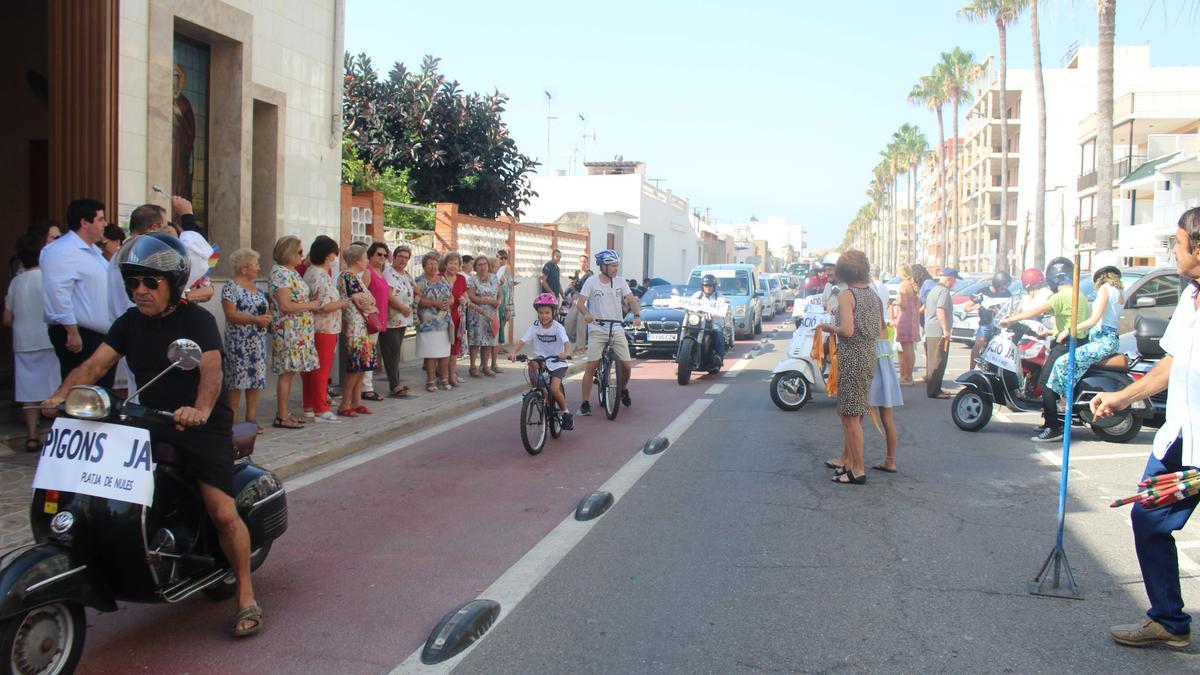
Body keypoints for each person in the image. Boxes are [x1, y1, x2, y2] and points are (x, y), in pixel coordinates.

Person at [44, 232, 262, 637]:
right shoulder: (128, 323)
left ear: (174, 284)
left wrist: (199, 409)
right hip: (147, 418)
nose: (139, 291)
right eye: (132, 283)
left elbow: (211, 372)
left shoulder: (197, 320)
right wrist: (60, 395)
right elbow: (94, 366)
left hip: (200, 425)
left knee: (221, 511)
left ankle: (246, 594)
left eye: (149, 283)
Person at [1091, 207, 1200, 650]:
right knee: (1148, 517)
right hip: (1179, 438)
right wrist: (1122, 397)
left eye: (1177, 243)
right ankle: (1169, 621)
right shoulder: (1190, 298)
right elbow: (1172, 364)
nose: (1172, 251)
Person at [1000, 257, 1090, 442]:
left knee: (1047, 384)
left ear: (1054, 278)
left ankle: (1052, 427)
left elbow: (1037, 311)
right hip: (1073, 341)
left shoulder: (1060, 297)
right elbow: (1070, 321)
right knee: (1050, 383)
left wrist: (1012, 319)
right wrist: (1049, 331)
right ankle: (1049, 420)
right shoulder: (1079, 296)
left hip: (1066, 345)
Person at [819, 250, 882, 485]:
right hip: (868, 355)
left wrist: (830, 327)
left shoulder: (847, 295)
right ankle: (850, 462)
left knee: (850, 416)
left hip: (852, 356)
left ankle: (857, 468)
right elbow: (879, 327)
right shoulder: (872, 295)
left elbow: (847, 330)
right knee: (852, 414)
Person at [1044, 252, 1125, 434]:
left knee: (1063, 362)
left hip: (1102, 340)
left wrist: (1070, 329)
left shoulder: (1105, 289)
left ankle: (1063, 402)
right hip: (1109, 339)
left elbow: (1094, 319)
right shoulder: (1120, 291)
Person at [40, 198, 114, 387]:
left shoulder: (93, 251)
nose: (105, 224)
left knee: (101, 393)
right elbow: (58, 293)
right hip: (80, 335)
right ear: (84, 222)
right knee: (81, 392)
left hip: (100, 335)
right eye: (100, 219)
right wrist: (72, 331)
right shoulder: (61, 250)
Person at [5, 233, 61, 451]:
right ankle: (56, 434)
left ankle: (32, 435)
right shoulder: (48, 279)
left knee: (28, 391)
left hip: (23, 341)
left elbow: (7, 318)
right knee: (54, 389)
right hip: (47, 339)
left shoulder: (16, 282)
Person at [576, 249, 641, 416]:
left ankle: (623, 389)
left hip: (617, 327)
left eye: (617, 265)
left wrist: (637, 316)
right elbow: (580, 303)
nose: (615, 268)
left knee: (626, 365)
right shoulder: (591, 282)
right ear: (603, 266)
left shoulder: (620, 281)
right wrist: (587, 314)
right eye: (612, 265)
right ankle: (585, 403)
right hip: (597, 328)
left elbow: (631, 299)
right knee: (591, 365)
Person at [268, 235, 320, 429]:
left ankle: (285, 413)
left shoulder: (291, 272)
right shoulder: (281, 273)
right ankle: (281, 415)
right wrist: (311, 304)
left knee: (291, 372)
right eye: (299, 252)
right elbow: (286, 305)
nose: (302, 255)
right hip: (289, 330)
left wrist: (309, 301)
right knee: (287, 373)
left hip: (299, 330)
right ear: (288, 252)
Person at [220, 248, 270, 432]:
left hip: (257, 340)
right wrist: (256, 319)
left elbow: (264, 308)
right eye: (255, 265)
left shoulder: (257, 287)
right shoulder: (230, 287)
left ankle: (251, 419)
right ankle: (231, 420)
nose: (258, 268)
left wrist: (266, 318)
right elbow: (231, 314)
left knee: (256, 379)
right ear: (243, 268)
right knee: (236, 380)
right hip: (238, 341)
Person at [509, 293, 574, 431]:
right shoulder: (535, 326)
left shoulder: (558, 327)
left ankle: (565, 412)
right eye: (541, 312)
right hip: (541, 360)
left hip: (557, 361)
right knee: (531, 363)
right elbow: (523, 340)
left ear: (553, 313)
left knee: (554, 389)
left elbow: (567, 343)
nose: (544, 315)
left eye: (547, 312)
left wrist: (566, 353)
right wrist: (514, 352)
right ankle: (536, 391)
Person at [302, 236, 348, 422]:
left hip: (317, 326)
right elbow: (324, 305)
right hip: (324, 327)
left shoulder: (310, 272)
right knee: (322, 369)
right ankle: (320, 408)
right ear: (329, 255)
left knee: (312, 369)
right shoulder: (320, 275)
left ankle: (309, 405)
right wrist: (343, 303)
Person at [337, 244, 378, 417]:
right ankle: (345, 403)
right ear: (357, 260)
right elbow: (365, 302)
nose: (367, 261)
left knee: (363, 365)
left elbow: (369, 300)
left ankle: (356, 401)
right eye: (365, 258)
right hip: (355, 326)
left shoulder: (356, 277)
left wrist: (371, 304)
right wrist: (372, 306)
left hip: (362, 325)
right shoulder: (348, 277)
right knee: (355, 366)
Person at [413, 252, 453, 391]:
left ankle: (444, 379)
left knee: (444, 352)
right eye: (430, 264)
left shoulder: (442, 280)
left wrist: (449, 301)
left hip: (443, 322)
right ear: (424, 266)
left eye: (435, 263)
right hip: (427, 323)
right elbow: (417, 300)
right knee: (430, 352)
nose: (433, 266)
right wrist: (434, 303)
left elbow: (451, 296)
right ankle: (430, 380)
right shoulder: (419, 280)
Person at [361, 242, 393, 402]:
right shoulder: (367, 273)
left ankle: (366, 386)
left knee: (371, 353)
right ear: (370, 255)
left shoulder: (380, 272)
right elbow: (360, 295)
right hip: (370, 320)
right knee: (367, 353)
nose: (382, 257)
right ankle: (366, 388)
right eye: (378, 254)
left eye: (385, 255)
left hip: (379, 319)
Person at [381, 245, 414, 397]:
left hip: (403, 319)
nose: (403, 260)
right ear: (394, 257)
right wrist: (402, 307)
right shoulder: (388, 273)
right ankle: (394, 384)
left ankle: (396, 382)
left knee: (396, 351)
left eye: (406, 257)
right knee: (392, 351)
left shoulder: (405, 275)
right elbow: (388, 295)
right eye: (400, 256)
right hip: (391, 318)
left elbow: (414, 290)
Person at [923, 267, 959, 399]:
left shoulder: (934, 289)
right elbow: (940, 310)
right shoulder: (944, 291)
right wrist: (946, 330)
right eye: (954, 280)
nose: (955, 283)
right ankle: (934, 391)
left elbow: (927, 310)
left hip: (931, 329)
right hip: (938, 331)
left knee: (934, 361)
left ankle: (936, 388)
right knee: (938, 361)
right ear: (949, 279)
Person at [964, 270, 1013, 366]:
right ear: (997, 283)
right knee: (979, 342)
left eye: (1007, 285)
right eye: (1004, 285)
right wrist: (976, 307)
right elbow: (967, 308)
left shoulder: (1007, 294)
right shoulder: (983, 292)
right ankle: (971, 369)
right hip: (986, 324)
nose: (1005, 288)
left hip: (1000, 325)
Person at [467, 255, 501, 377]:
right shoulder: (472, 279)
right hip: (477, 313)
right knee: (476, 340)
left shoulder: (494, 277)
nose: (482, 267)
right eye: (479, 264)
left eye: (484, 264)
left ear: (488, 266)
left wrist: (499, 302)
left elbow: (499, 294)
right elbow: (471, 296)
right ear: (476, 267)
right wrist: (489, 301)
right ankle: (472, 367)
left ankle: (485, 366)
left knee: (489, 340)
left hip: (492, 312)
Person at [443, 251, 469, 387]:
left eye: (456, 264)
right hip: (441, 318)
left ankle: (452, 375)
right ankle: (443, 375)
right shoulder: (439, 277)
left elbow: (466, 297)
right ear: (446, 264)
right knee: (442, 347)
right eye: (451, 263)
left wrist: (464, 300)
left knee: (454, 348)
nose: (453, 266)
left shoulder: (461, 279)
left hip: (456, 318)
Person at [691, 273, 727, 362]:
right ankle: (682, 358)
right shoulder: (698, 295)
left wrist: (714, 311)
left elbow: (723, 305)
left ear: (714, 286)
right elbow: (689, 303)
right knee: (687, 331)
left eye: (710, 285)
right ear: (702, 286)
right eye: (705, 285)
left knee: (718, 332)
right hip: (699, 321)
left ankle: (719, 357)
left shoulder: (719, 296)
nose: (708, 287)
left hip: (714, 322)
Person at [895, 264, 920, 385]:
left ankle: (906, 377)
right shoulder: (913, 285)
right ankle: (909, 376)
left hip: (905, 318)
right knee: (910, 348)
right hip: (913, 318)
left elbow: (903, 304)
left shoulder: (903, 286)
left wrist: (896, 302)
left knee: (905, 349)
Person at [563, 254, 593, 352]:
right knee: (568, 321)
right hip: (576, 298)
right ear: (578, 263)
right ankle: (572, 342)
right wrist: (571, 285)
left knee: (581, 322)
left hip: (585, 299)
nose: (582, 263)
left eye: (584, 261)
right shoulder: (576, 273)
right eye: (581, 261)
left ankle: (581, 347)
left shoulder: (590, 274)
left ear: (587, 263)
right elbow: (573, 286)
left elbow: (588, 287)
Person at [495, 248, 517, 345]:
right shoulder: (496, 271)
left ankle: (500, 344)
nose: (503, 260)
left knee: (505, 321)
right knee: (500, 321)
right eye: (501, 258)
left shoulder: (506, 270)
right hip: (502, 299)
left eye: (505, 258)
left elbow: (508, 284)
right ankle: (497, 345)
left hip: (509, 297)